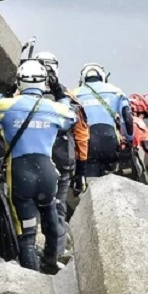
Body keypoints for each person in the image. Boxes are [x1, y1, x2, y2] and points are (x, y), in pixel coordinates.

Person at [0, 60, 76, 273]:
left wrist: (6, 94)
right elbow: (71, 117)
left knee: (27, 233)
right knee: (50, 215)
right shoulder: (55, 108)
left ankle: (32, 280)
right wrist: (59, 93)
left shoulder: (7, 106)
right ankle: (50, 261)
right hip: (48, 174)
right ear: (44, 82)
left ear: (19, 82)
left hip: (20, 175)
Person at [34, 51, 90, 254]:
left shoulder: (20, 97)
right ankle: (53, 256)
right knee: (57, 209)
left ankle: (25, 255)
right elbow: (82, 136)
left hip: (29, 162)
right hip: (61, 162)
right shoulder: (69, 99)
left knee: (25, 210)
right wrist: (81, 171)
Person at [71, 63, 134, 177]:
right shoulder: (116, 91)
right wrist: (129, 139)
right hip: (110, 141)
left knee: (88, 178)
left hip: (86, 144)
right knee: (111, 177)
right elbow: (127, 117)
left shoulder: (74, 94)